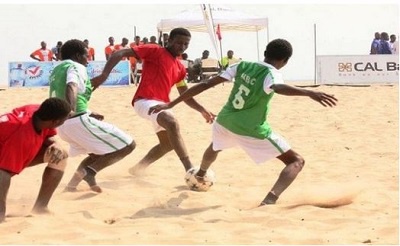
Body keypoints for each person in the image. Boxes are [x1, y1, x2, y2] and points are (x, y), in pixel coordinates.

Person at [148, 39, 338, 206]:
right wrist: (309, 92)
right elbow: (278, 87)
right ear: (285, 62)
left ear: (265, 53)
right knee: (296, 161)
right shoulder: (272, 73)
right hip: (251, 128)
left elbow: (205, 84)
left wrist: (171, 103)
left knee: (215, 146)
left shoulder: (241, 65)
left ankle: (200, 174)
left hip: (224, 120)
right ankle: (270, 200)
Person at [92, 27, 214, 175]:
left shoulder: (180, 68)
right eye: (178, 43)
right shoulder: (155, 50)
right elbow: (120, 52)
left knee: (167, 144)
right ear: (169, 40)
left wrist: (202, 109)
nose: (182, 47)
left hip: (163, 105)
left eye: (185, 44)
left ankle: (138, 169)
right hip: (144, 101)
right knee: (172, 122)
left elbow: (185, 94)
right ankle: (190, 169)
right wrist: (104, 75)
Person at [49, 39, 135, 193]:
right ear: (77, 55)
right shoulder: (77, 66)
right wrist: (71, 110)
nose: (88, 60)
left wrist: (87, 111)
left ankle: (71, 186)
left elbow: (71, 89)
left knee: (96, 154)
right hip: (74, 120)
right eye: (86, 56)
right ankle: (90, 173)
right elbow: (71, 85)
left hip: (61, 125)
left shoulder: (57, 69)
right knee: (129, 145)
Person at [0, 97, 71, 223]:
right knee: (3, 174)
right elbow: (4, 173)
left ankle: (41, 207)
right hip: (10, 147)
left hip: (12, 145)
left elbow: (48, 134)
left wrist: (56, 144)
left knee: (60, 155)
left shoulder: (39, 111)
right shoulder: (20, 136)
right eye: (65, 120)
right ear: (55, 122)